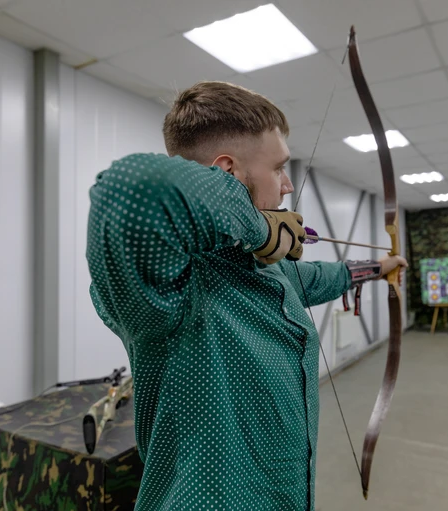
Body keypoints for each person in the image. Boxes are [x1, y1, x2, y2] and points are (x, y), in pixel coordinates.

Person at [86, 80, 408, 510]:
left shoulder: (260, 266)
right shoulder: (170, 287)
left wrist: (376, 268)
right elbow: (132, 187)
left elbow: (313, 278)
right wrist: (259, 226)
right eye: (278, 168)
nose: (287, 185)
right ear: (229, 173)